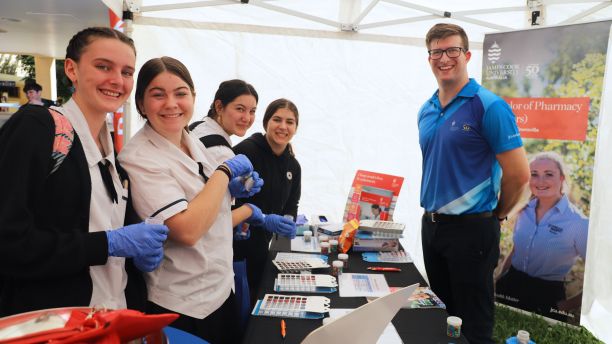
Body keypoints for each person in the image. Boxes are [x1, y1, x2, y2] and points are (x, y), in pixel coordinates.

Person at [0, 27, 168, 316]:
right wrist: (108, 243)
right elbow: (9, 243)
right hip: (55, 324)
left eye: (127, 72)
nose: (117, 80)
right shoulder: (38, 127)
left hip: (113, 318)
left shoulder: (110, 148)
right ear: (71, 69)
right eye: (103, 66)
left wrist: (135, 255)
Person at [118, 56, 263, 343]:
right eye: (158, 95)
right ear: (140, 104)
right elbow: (187, 230)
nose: (171, 104)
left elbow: (203, 196)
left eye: (180, 93)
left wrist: (233, 190)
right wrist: (224, 173)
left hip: (219, 290)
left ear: (194, 97)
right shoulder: (139, 157)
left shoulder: (189, 139)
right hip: (182, 304)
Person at [417, 23, 530, 344]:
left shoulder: (489, 105)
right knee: (441, 317)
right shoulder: (426, 109)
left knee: (474, 324)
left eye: (452, 50)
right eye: (436, 51)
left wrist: (498, 212)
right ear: (429, 59)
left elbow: (520, 174)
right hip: (432, 226)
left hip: (472, 230)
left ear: (466, 55)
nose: (444, 58)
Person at [189, 80, 295, 325]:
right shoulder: (224, 149)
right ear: (219, 106)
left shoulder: (201, 130)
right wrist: (251, 212)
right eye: (240, 109)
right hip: (203, 269)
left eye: (252, 111)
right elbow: (208, 218)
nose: (247, 117)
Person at [496, 152, 588, 321]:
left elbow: (597, 278)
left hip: (547, 296)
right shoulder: (524, 210)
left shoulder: (578, 222)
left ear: (562, 178)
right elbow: (517, 249)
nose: (540, 181)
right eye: (534, 175)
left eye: (549, 175)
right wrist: (501, 277)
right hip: (509, 286)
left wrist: (562, 307)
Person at [234, 98, 301, 305]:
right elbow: (225, 199)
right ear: (266, 123)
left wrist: (288, 222)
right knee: (241, 303)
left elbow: (291, 204)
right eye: (277, 120)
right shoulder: (246, 152)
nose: (283, 127)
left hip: (265, 246)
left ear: (296, 127)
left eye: (289, 122)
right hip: (238, 246)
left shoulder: (293, 165)